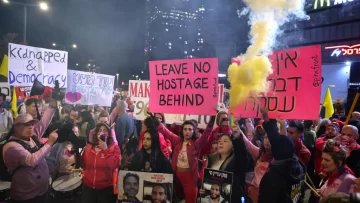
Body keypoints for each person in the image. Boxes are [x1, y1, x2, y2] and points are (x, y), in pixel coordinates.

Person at [156, 114, 215, 203]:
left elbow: (206, 135)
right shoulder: (177, 140)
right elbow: (165, 131)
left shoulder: (196, 144)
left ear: (193, 131)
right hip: (176, 177)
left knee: (190, 200)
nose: (187, 131)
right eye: (185, 129)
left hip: (191, 178)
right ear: (182, 131)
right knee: (175, 199)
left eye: (190, 129)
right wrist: (155, 120)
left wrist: (212, 120)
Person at [2, 114, 59, 202]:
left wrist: (52, 106)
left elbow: (43, 123)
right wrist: (49, 143)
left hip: (42, 191)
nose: (30, 127)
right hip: (27, 196)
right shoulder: (11, 146)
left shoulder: (32, 138)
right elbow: (31, 161)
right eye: (26, 125)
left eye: (32, 124)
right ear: (16, 127)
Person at [258, 108, 306, 203]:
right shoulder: (299, 167)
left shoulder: (271, 179)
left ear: (274, 151)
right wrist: (268, 120)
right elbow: (281, 143)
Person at [81, 122, 121, 203]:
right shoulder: (88, 148)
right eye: (99, 130)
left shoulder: (114, 148)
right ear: (95, 134)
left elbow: (114, 165)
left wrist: (106, 149)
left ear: (109, 134)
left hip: (105, 190)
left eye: (105, 130)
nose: (102, 132)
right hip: (88, 189)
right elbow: (83, 165)